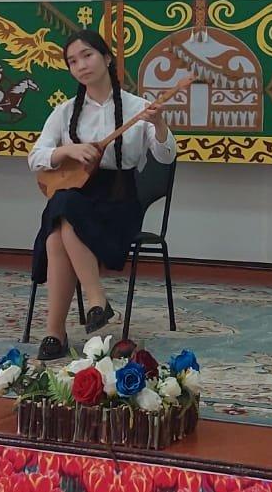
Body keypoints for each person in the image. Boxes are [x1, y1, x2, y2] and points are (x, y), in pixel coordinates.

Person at [29, 30, 176, 360]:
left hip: (119, 201)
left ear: (107, 58)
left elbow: (166, 157)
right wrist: (67, 150)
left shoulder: (138, 108)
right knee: (62, 215)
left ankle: (58, 331)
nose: (81, 65)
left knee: (61, 219)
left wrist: (160, 124)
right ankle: (93, 302)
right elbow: (35, 157)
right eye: (72, 61)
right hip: (77, 194)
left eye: (87, 55)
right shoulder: (65, 111)